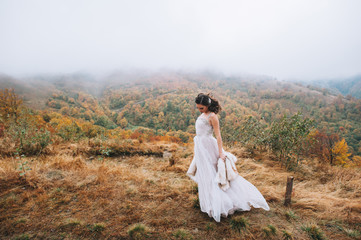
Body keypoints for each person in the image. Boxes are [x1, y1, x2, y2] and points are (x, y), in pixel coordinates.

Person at [187, 93, 270, 222]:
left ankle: (220, 204)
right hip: (201, 148)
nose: (199, 110)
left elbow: (218, 136)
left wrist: (221, 153)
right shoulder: (203, 114)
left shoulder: (213, 116)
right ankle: (210, 203)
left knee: (212, 175)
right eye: (198, 108)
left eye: (201, 108)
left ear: (207, 106)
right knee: (205, 174)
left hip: (209, 147)